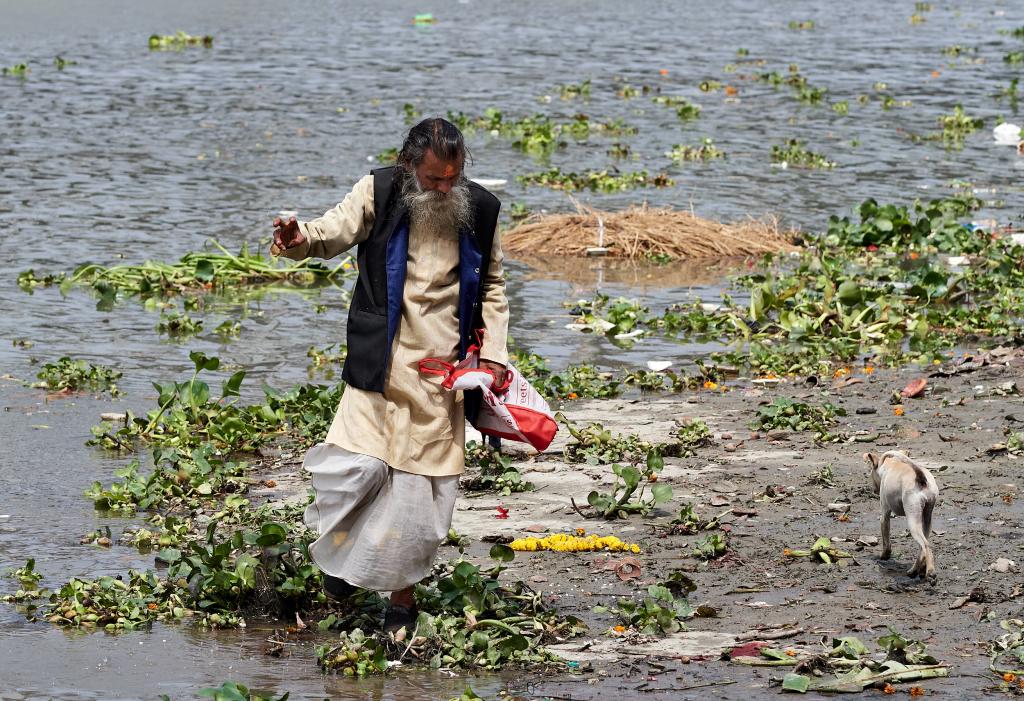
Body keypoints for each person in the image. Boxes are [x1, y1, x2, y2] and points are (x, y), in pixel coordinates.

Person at [270, 118, 509, 633]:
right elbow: (327, 234)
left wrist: (492, 357)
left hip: (442, 377)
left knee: (419, 499)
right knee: (355, 472)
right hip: (380, 362)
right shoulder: (377, 190)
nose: (445, 189)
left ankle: (402, 601)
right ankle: (342, 562)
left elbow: (491, 287)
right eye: (433, 179)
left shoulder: (481, 209)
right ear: (409, 166)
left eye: (453, 177)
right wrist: (296, 238)